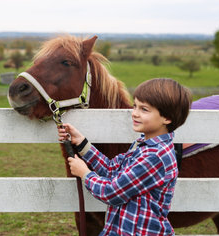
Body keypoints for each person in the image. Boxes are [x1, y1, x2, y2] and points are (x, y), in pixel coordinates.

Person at [58, 78, 192, 235]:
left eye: (144, 109)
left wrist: (85, 174)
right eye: (135, 106)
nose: (135, 113)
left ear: (167, 118)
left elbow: (112, 192)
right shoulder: (142, 145)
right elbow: (111, 169)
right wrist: (81, 143)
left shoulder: (156, 156)